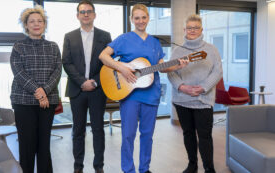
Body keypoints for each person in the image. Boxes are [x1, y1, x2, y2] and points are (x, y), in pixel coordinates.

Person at [99, 4, 188, 173]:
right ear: (132, 19)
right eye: (137, 18)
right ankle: (128, 170)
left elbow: (161, 66)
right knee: (128, 135)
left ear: (148, 18)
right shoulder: (123, 39)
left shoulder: (155, 42)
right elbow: (103, 56)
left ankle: (144, 168)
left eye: (144, 17)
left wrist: (177, 66)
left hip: (151, 94)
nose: (140, 21)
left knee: (147, 136)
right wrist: (122, 68)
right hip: (130, 95)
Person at [168, 14, 223, 173]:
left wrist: (203, 88)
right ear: (184, 29)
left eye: (195, 27)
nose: (192, 30)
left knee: (205, 136)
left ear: (201, 30)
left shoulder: (211, 49)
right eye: (189, 28)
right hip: (182, 99)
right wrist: (182, 87)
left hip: (203, 99)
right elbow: (171, 73)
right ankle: (192, 165)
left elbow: (217, 71)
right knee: (188, 134)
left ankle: (209, 168)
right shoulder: (177, 50)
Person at [10, 5, 62, 173]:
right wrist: (40, 93)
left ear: (44, 24)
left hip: (48, 101)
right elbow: (19, 73)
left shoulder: (53, 46)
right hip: (23, 101)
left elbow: (57, 71)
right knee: (26, 146)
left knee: (44, 145)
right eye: (32, 21)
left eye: (40, 21)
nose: (36, 24)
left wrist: (44, 91)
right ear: (25, 25)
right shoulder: (18, 46)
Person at [62, 1, 112, 173]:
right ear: (77, 15)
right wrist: (82, 81)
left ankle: (99, 167)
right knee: (78, 130)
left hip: (98, 90)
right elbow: (66, 62)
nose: (86, 14)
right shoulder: (69, 36)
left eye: (89, 11)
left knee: (98, 129)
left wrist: (95, 82)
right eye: (82, 12)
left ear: (94, 15)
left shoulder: (105, 36)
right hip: (77, 90)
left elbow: (109, 63)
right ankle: (78, 166)